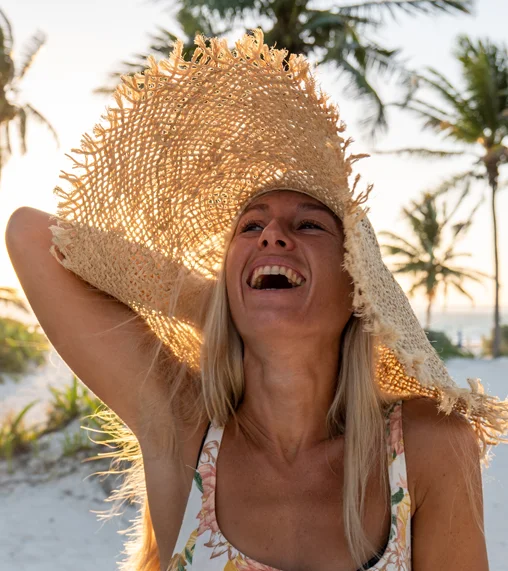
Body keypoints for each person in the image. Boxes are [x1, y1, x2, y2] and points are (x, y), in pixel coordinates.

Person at [6, 29, 507, 571]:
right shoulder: (185, 427)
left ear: (357, 287)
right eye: (251, 226)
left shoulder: (428, 445)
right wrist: (216, 305)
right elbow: (29, 235)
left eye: (309, 224)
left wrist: (244, 303)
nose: (272, 235)